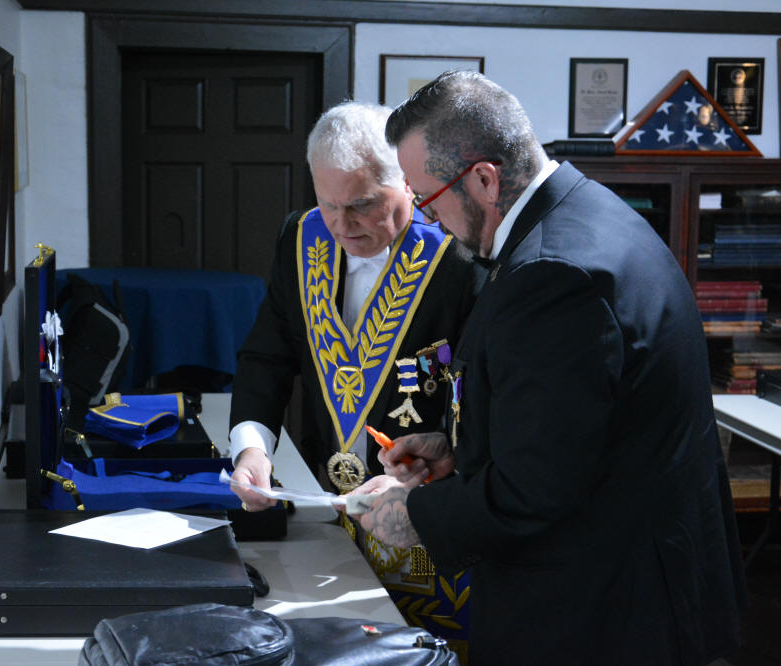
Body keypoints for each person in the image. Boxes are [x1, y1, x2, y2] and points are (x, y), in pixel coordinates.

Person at [347, 70, 746, 665]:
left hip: (605, 611)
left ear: (485, 179)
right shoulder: (586, 208)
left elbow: (532, 491)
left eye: (427, 200)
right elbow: (581, 426)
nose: (430, 222)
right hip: (647, 573)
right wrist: (460, 450)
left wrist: (411, 516)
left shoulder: (551, 276)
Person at [228, 101, 484, 652]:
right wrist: (252, 447)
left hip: (425, 527)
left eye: (363, 205)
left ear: (407, 182)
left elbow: (485, 398)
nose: (343, 225)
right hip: (327, 528)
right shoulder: (301, 237)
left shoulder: (460, 257)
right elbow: (267, 356)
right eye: (328, 204)